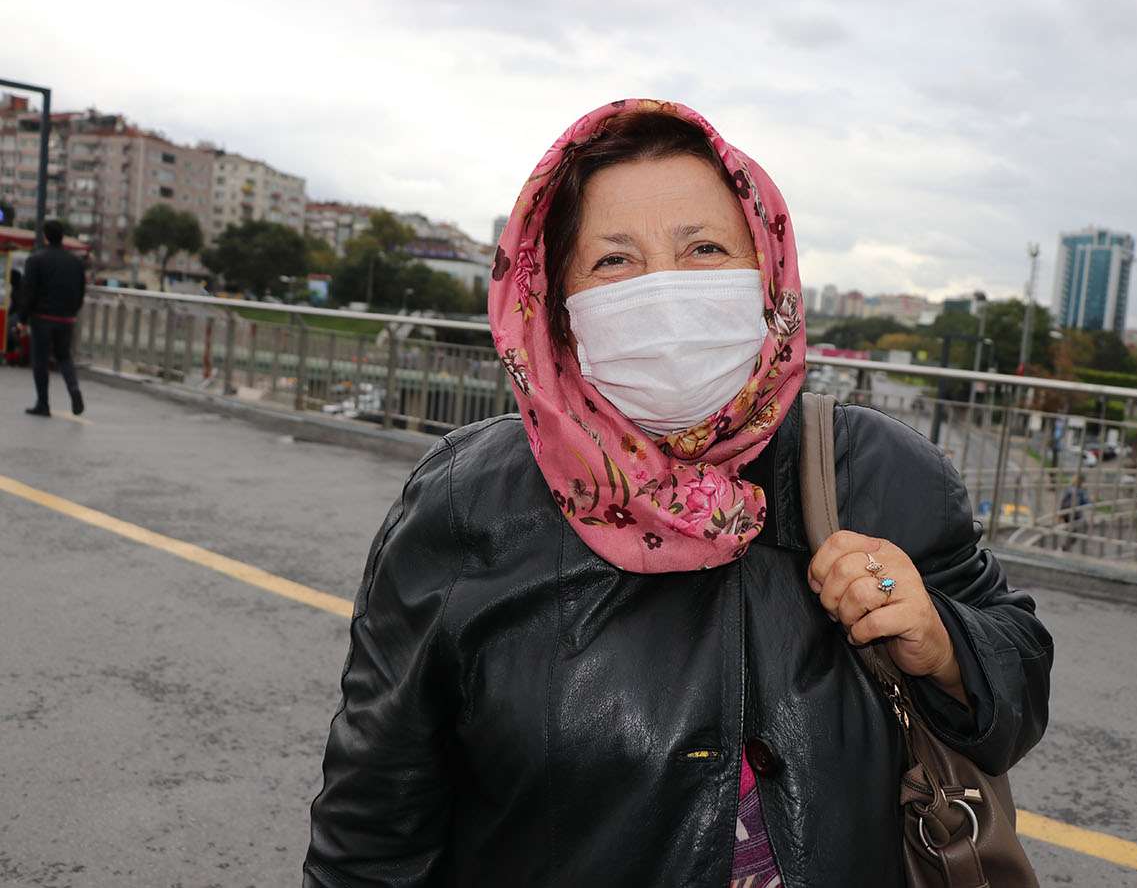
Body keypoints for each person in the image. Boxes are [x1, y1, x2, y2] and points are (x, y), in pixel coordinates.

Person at [304, 100, 1053, 886]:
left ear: (766, 270)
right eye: (614, 262)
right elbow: (372, 823)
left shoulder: (876, 468)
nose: (664, 292)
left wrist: (942, 643)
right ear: (557, 305)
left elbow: (1020, 687)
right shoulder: (466, 501)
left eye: (704, 249)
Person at [18, 219, 85, 416]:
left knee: (40, 360)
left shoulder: (36, 259)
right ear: (62, 236)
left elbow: (29, 291)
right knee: (64, 357)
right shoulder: (75, 262)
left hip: (42, 318)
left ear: (45, 236)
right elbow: (81, 290)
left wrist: (22, 319)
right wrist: (72, 311)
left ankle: (43, 403)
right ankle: (74, 389)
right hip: (66, 319)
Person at [1058, 473, 1090, 551]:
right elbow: (1085, 502)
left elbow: (1063, 501)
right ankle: (1065, 547)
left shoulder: (1069, 489)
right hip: (1074, 514)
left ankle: (1065, 547)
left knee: (1072, 531)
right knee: (1075, 531)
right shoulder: (1080, 491)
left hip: (1067, 513)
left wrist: (1060, 513)